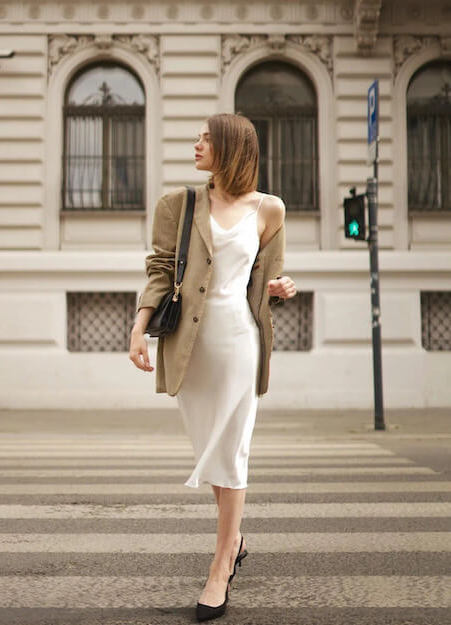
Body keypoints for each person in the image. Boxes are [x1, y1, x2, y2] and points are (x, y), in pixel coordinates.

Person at [129, 112, 297, 622]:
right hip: (189, 346)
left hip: (238, 343)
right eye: (199, 136)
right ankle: (238, 537)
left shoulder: (270, 210)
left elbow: (269, 279)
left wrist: (281, 288)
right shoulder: (179, 204)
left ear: (230, 148)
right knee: (212, 451)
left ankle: (221, 566)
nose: (196, 143)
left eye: (205, 138)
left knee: (232, 450)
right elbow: (160, 269)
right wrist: (138, 328)